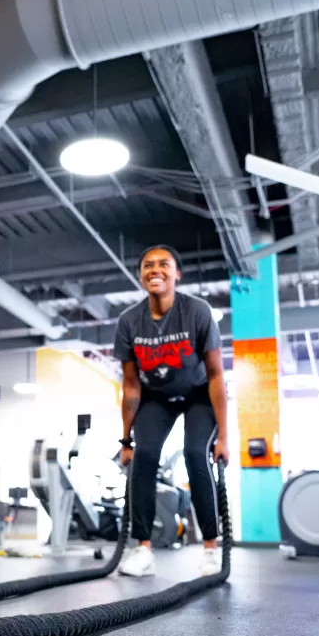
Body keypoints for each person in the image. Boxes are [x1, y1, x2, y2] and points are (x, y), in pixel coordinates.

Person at [114, 245, 231, 578]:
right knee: (144, 456)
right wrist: (126, 441)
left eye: (164, 264)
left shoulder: (197, 311)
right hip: (157, 396)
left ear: (176, 274)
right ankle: (143, 550)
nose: (156, 269)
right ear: (141, 275)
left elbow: (215, 375)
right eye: (148, 264)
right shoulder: (129, 321)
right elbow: (131, 385)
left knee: (196, 454)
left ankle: (210, 546)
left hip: (198, 393)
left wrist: (223, 435)